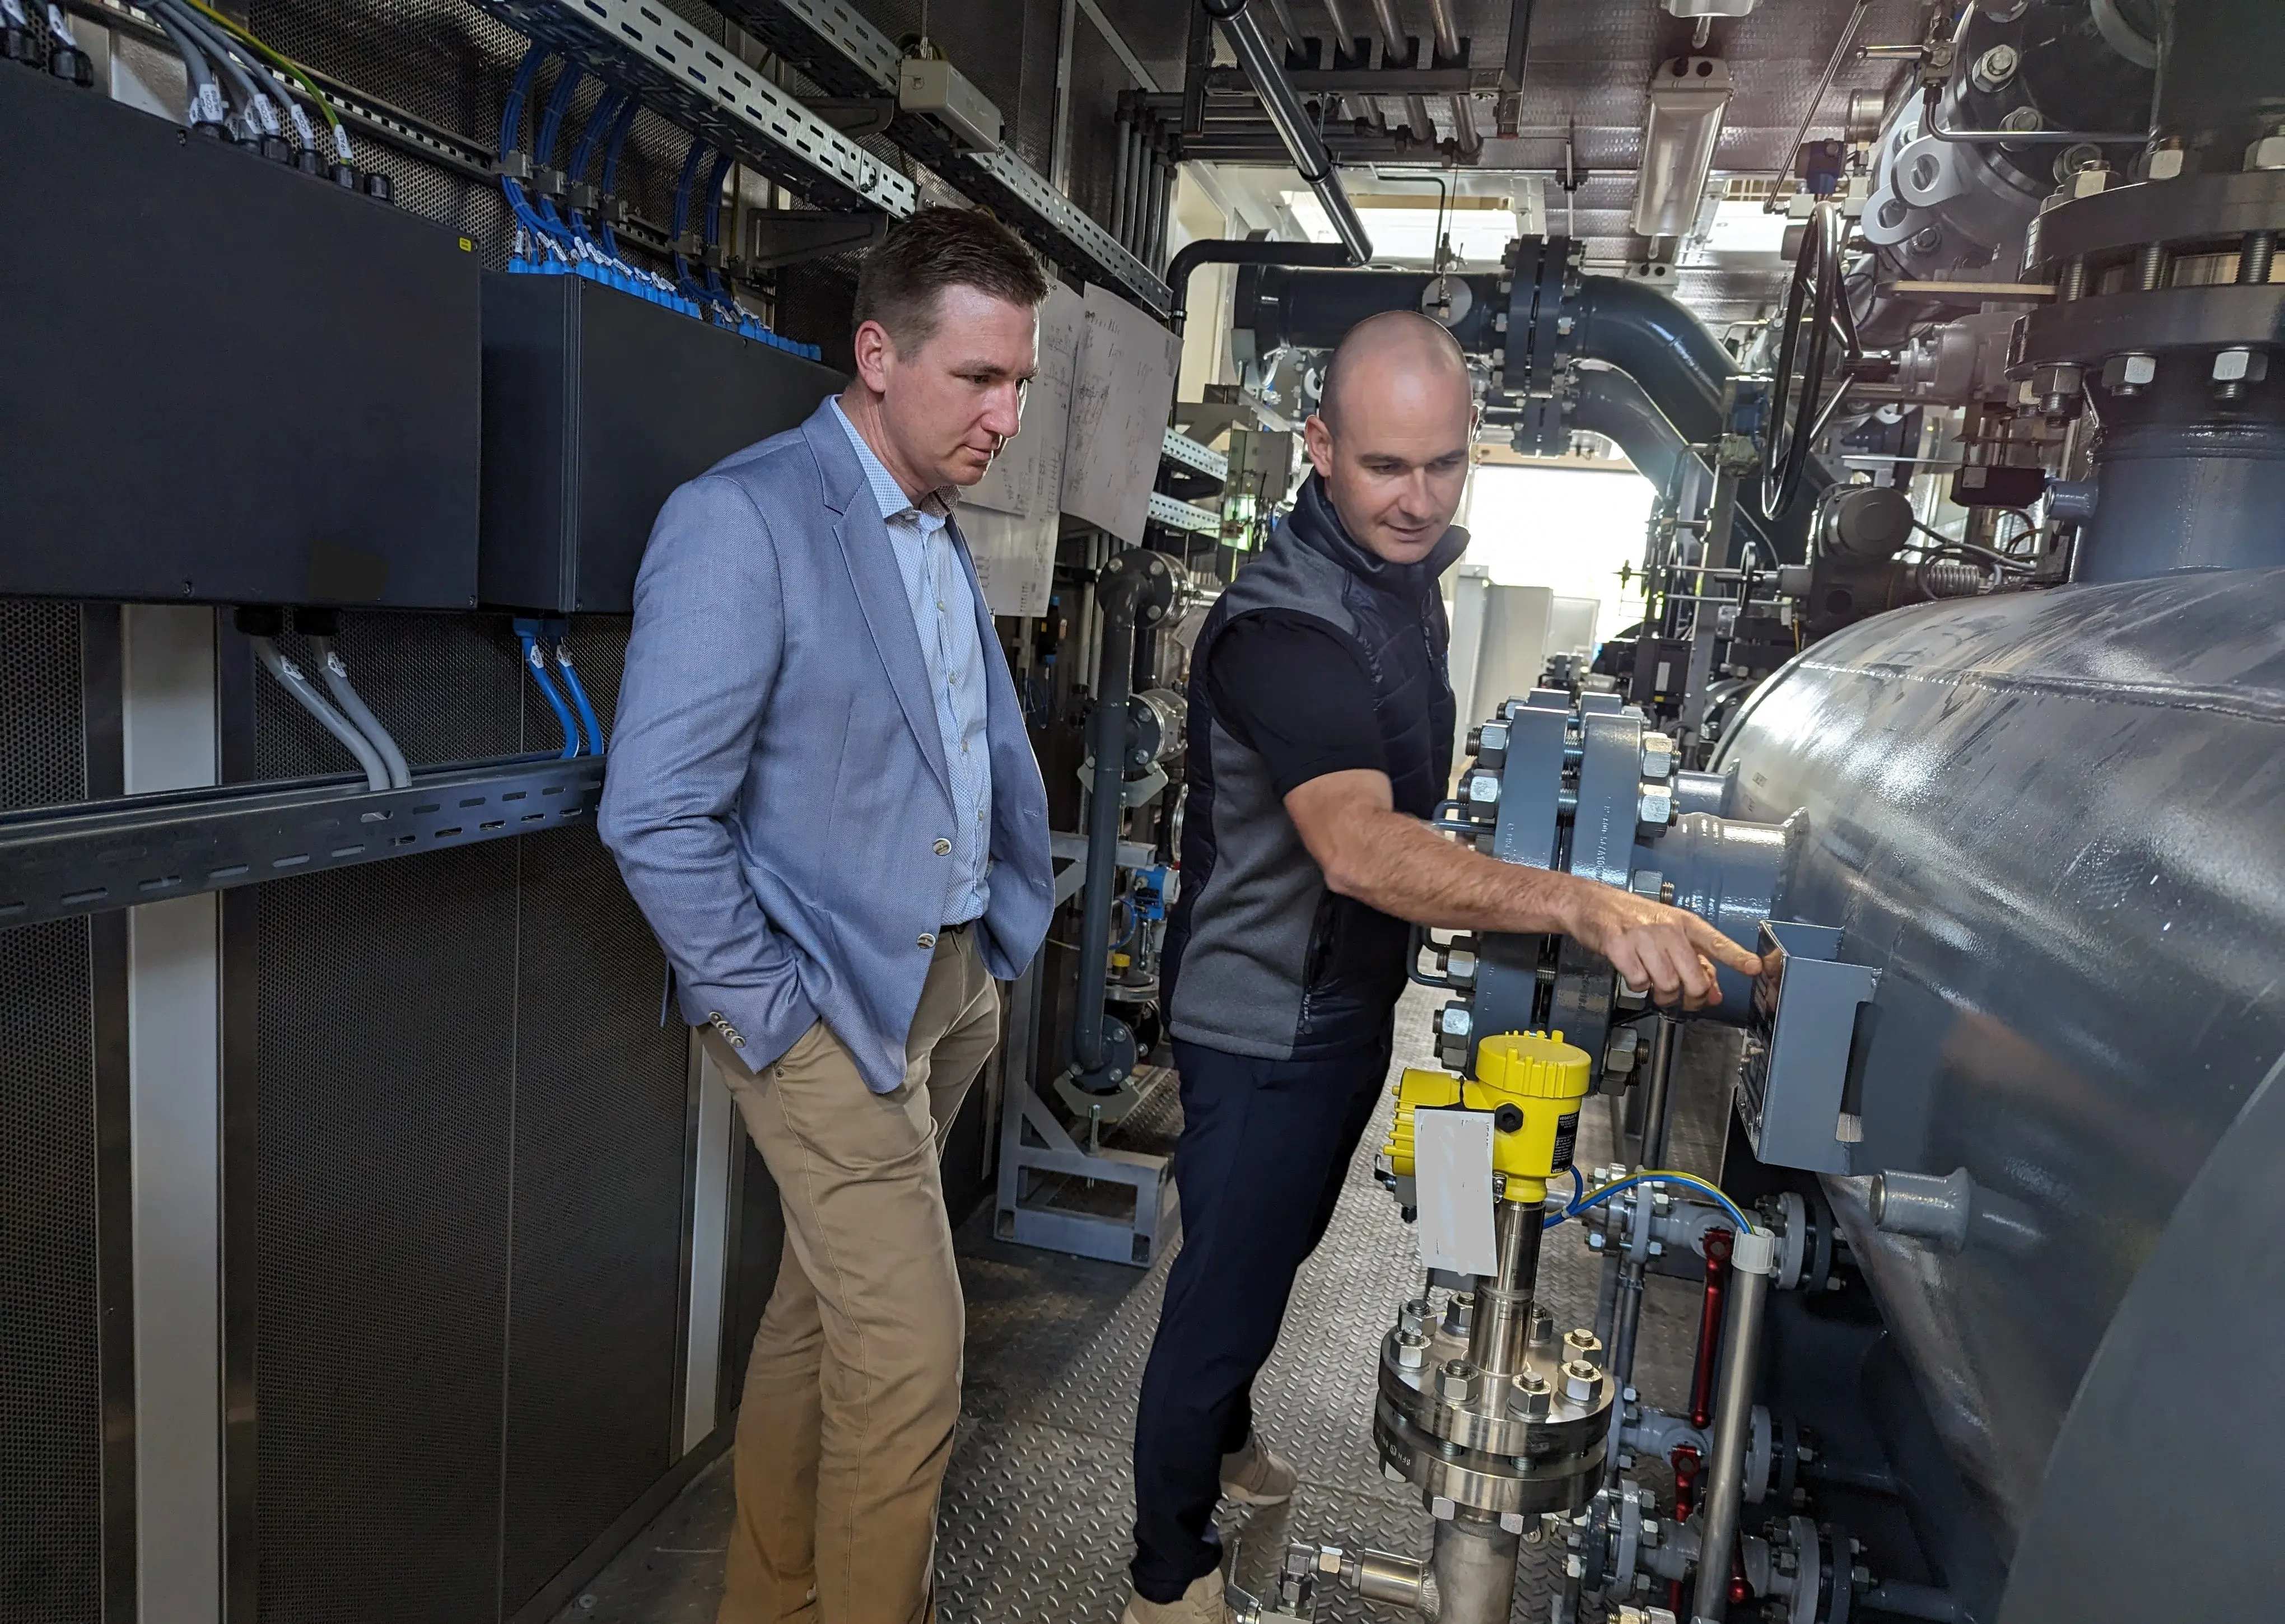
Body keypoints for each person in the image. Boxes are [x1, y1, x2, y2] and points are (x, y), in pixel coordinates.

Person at [1122, 311, 1762, 1623]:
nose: (1418, 499)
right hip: (1264, 1026)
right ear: (1320, 451)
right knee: (1219, 1303)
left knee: (1277, 1258)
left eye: (1444, 465)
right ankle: (1165, 1576)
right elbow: (1358, 846)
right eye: (1384, 469)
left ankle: (1226, 1450)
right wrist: (1578, 904)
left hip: (1347, 1007)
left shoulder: (1396, 582)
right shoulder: (1286, 624)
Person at [598, 207, 1056, 1624]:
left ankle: (769, 1598)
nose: (1007, 413)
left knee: (821, 1314)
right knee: (911, 1361)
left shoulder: (930, 520)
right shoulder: (742, 521)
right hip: (823, 1007)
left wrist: (986, 955)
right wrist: (775, 1013)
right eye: (979, 377)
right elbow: (653, 812)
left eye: (1021, 380)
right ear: (876, 352)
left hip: (951, 984)